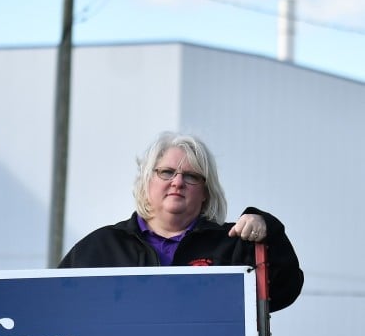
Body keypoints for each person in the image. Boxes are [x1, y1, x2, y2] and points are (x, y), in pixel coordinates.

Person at [58, 131, 303, 311]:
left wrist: (268, 228)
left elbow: (284, 288)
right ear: (146, 182)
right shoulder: (102, 247)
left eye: (191, 176)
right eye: (166, 172)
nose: (177, 182)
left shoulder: (232, 244)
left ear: (206, 191)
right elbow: (57, 306)